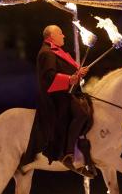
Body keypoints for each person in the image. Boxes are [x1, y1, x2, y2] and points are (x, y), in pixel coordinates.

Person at [24, 25, 94, 178]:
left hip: (66, 92)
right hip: (55, 97)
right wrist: (70, 79)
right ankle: (67, 153)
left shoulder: (56, 51)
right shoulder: (46, 53)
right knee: (81, 113)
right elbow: (48, 78)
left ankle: (84, 151)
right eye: (60, 33)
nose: (64, 36)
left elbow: (68, 72)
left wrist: (78, 73)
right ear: (51, 36)